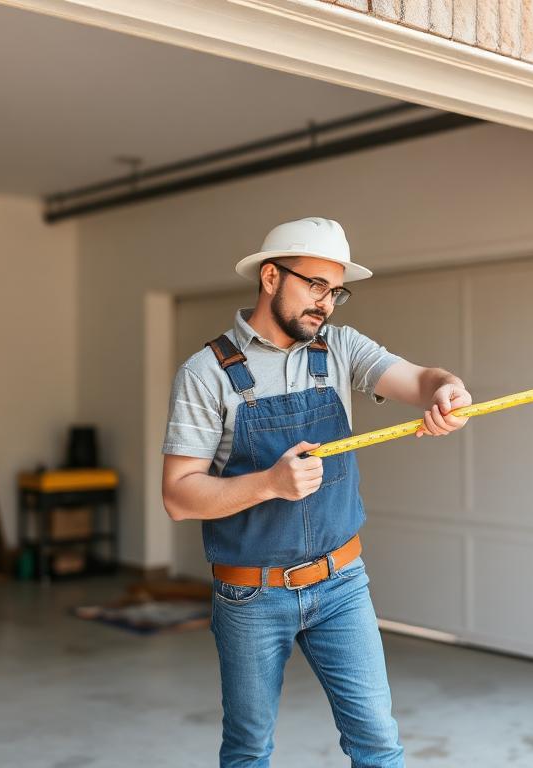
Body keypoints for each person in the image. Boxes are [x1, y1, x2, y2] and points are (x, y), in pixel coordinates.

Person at [160, 216, 472, 767]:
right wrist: (268, 484)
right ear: (272, 277)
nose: (326, 304)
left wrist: (446, 390)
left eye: (336, 291)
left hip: (342, 584)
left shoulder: (341, 349)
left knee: (379, 745)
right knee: (248, 750)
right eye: (315, 285)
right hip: (250, 594)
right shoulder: (205, 373)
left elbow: (421, 380)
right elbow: (179, 496)